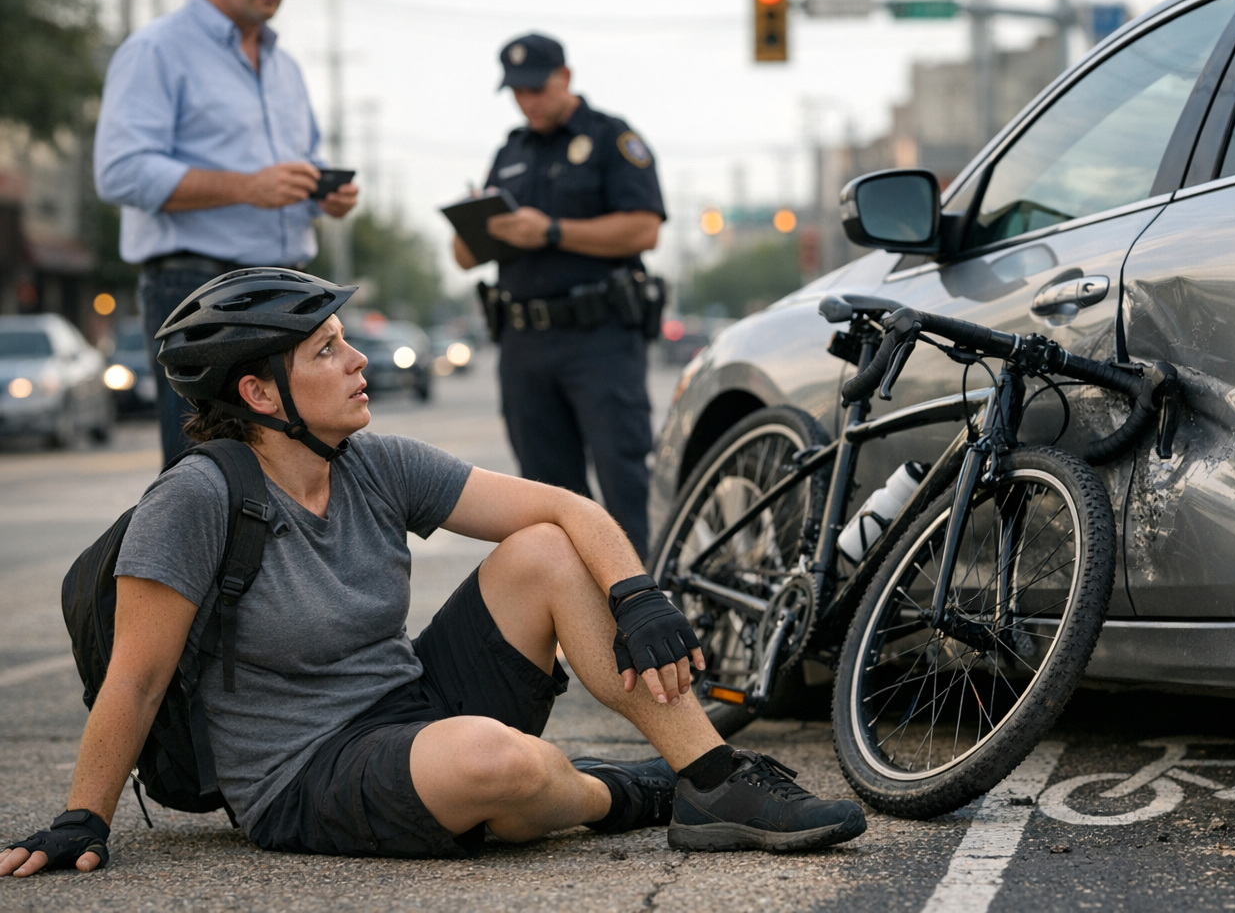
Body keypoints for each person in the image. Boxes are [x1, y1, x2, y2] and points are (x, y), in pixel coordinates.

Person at [0, 269, 865, 877]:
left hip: (411, 704)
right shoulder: (197, 499)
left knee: (543, 551)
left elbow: (566, 507)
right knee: (499, 763)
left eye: (346, 343)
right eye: (327, 351)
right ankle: (624, 790)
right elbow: (138, 678)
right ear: (262, 396)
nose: (358, 361)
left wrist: (636, 595)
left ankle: (711, 781)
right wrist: (86, 815)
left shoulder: (372, 463)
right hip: (306, 775)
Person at [94, 0, 359, 464]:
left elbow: (296, 170)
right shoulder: (156, 50)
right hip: (200, 293)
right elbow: (119, 171)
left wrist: (324, 197)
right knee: (211, 472)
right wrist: (246, 187)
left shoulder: (284, 67)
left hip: (290, 292)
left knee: (298, 466)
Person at [454, 33, 660, 557]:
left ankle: (644, 620)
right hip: (524, 344)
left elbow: (643, 230)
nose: (528, 101)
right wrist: (474, 224)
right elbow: (463, 257)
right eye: (518, 92)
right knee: (547, 498)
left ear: (565, 77)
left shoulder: (611, 139)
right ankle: (578, 622)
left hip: (600, 340)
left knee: (623, 485)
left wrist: (550, 232)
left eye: (537, 88)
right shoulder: (510, 152)